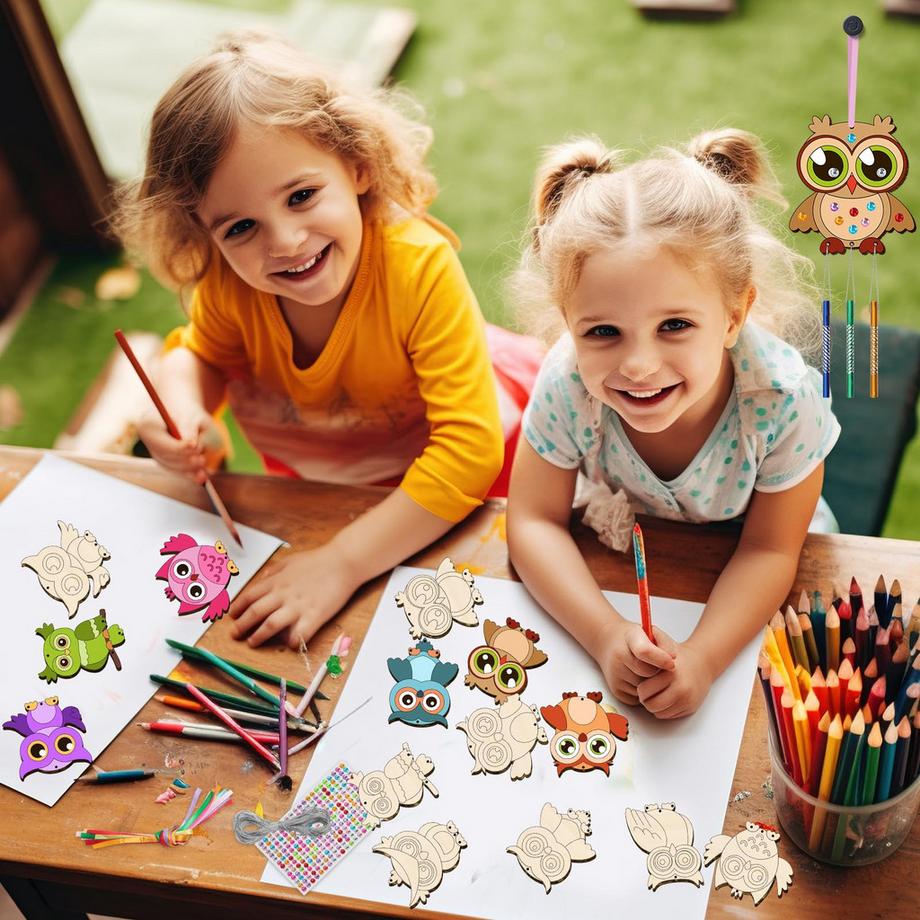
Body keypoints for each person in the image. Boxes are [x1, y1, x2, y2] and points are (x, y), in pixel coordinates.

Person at [113, 30, 541, 648]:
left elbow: (467, 458)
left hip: (469, 491)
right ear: (202, 234)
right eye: (240, 228)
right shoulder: (231, 288)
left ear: (359, 165)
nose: (284, 241)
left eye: (302, 195)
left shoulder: (418, 269)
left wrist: (341, 565)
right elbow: (200, 354)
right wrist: (182, 406)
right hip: (327, 490)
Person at [507, 129, 840, 719]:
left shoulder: (783, 402)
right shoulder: (567, 384)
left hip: (752, 575)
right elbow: (532, 521)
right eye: (602, 332)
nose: (637, 365)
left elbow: (768, 550)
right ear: (567, 323)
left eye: (675, 326)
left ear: (734, 315)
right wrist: (606, 636)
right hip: (626, 560)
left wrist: (706, 657)